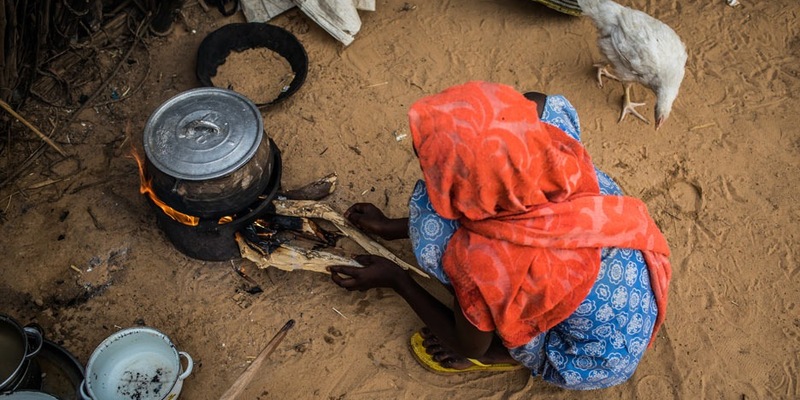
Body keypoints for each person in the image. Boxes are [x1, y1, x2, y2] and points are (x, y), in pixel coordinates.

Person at [329, 81, 671, 390]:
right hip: (634, 282)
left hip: (590, 358)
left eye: (431, 164)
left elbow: (468, 343)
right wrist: (390, 227)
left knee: (452, 255)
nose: (425, 164)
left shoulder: (486, 267)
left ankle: (505, 355)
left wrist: (397, 279)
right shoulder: (546, 130)